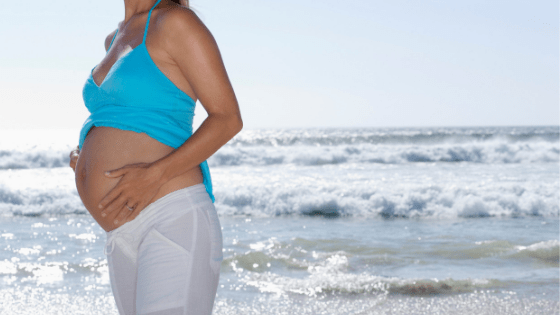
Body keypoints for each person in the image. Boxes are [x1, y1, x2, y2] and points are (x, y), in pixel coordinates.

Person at [69, 0, 242, 313]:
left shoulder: (176, 22)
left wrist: (155, 174)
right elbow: (127, 115)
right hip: (119, 231)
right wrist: (85, 157)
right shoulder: (114, 38)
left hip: (171, 215)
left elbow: (227, 118)